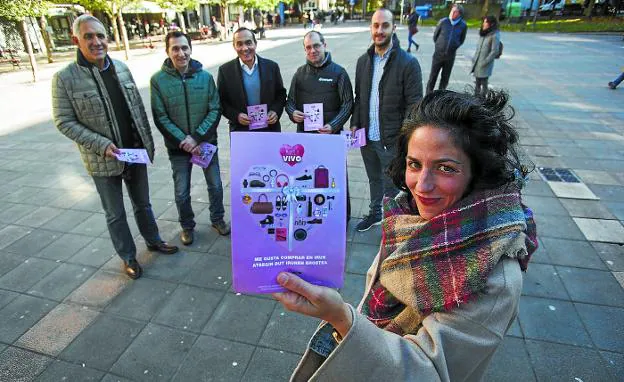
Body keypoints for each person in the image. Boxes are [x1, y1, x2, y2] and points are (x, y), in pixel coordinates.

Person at [273, 89, 538, 381]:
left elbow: (429, 373)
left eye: (445, 168)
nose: (422, 186)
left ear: (477, 173)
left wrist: (341, 318)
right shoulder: (407, 216)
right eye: (415, 164)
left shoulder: (494, 275)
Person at [52, 15, 178, 280]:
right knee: (115, 213)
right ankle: (128, 257)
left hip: (133, 152)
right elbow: (64, 121)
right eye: (88, 37)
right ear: (76, 40)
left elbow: (137, 110)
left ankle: (153, 240)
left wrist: (147, 145)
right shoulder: (65, 78)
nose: (96, 42)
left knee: (143, 204)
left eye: (100, 35)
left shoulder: (121, 67)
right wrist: (101, 145)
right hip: (103, 160)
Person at [150, 31, 230, 246]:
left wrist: (196, 138)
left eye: (184, 48)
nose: (181, 53)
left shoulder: (205, 77)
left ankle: (217, 218)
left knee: (215, 185)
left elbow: (214, 109)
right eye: (175, 48)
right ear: (167, 51)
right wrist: (183, 141)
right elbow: (160, 116)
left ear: (191, 49)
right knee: (181, 191)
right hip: (179, 148)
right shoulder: (158, 80)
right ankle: (187, 225)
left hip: (205, 144)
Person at [351, 8, 423, 232]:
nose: (379, 30)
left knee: (394, 186)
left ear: (394, 27)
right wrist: (355, 122)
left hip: (392, 140)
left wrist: (403, 138)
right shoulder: (363, 61)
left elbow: (415, 106)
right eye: (375, 25)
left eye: (385, 25)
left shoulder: (408, 63)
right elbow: (360, 97)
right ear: (371, 28)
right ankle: (375, 214)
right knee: (374, 179)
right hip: (367, 137)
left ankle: (394, 226)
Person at [286, 30, 354, 219]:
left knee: (336, 177)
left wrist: (333, 125)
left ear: (324, 45)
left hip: (331, 138)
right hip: (306, 138)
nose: (313, 50)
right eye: (308, 47)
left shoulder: (339, 72)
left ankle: (342, 217)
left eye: (316, 45)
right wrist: (293, 113)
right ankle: (310, 215)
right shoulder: (300, 73)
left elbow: (348, 103)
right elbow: (290, 101)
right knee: (306, 178)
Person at [217, 27, 286, 132]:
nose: (245, 48)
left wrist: (275, 111)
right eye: (239, 44)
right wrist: (236, 116)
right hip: (241, 130)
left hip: (270, 128)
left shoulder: (271, 67)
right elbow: (221, 101)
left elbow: (281, 94)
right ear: (234, 46)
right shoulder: (225, 71)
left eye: (248, 43)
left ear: (255, 43)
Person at [426, 4, 467, 94]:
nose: (452, 13)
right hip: (438, 55)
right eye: (452, 10)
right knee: (433, 77)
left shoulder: (463, 25)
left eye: (455, 12)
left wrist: (454, 46)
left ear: (459, 14)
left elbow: (461, 40)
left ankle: (441, 98)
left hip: (450, 56)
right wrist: (439, 46)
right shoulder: (443, 22)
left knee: (445, 78)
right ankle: (428, 96)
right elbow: (435, 36)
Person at [471, 15, 501, 97]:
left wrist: (485, 62)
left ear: (491, 24)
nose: (483, 24)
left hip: (485, 64)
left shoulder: (495, 35)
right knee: (477, 83)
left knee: (484, 84)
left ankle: (483, 101)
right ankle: (475, 100)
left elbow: (494, 51)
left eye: (485, 22)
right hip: (478, 62)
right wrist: (474, 59)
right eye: (483, 22)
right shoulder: (483, 32)